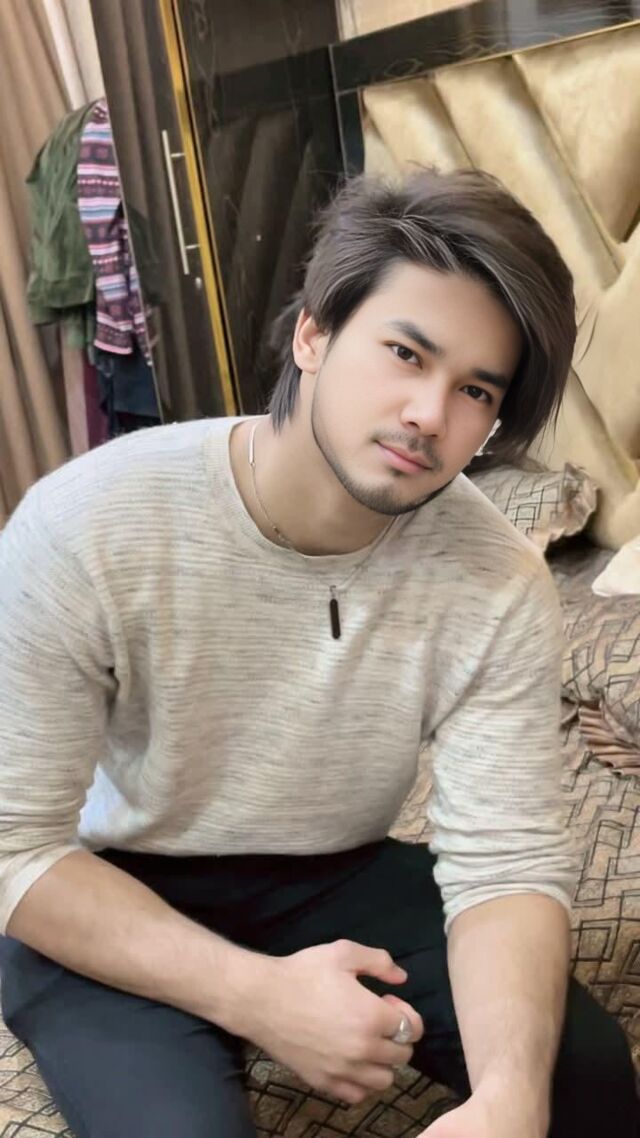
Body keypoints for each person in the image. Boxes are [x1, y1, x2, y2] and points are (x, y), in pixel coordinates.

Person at [0, 169, 636, 1138]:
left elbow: (507, 856)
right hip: (112, 877)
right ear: (312, 334)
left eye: (474, 390)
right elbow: (14, 846)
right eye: (405, 353)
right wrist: (258, 996)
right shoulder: (84, 526)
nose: (429, 414)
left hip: (334, 869)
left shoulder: (496, 578)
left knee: (579, 1075)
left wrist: (511, 1098)